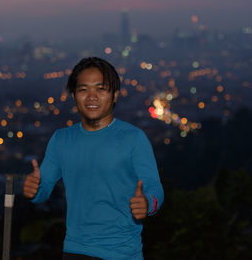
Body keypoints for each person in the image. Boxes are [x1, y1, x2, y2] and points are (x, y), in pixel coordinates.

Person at [23, 57, 164, 260]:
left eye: (101, 89)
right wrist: (34, 189)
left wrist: (148, 203)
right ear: (74, 95)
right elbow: (43, 188)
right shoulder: (61, 139)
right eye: (83, 90)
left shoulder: (133, 138)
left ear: (114, 95)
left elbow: (154, 187)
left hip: (122, 252)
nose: (92, 97)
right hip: (75, 250)